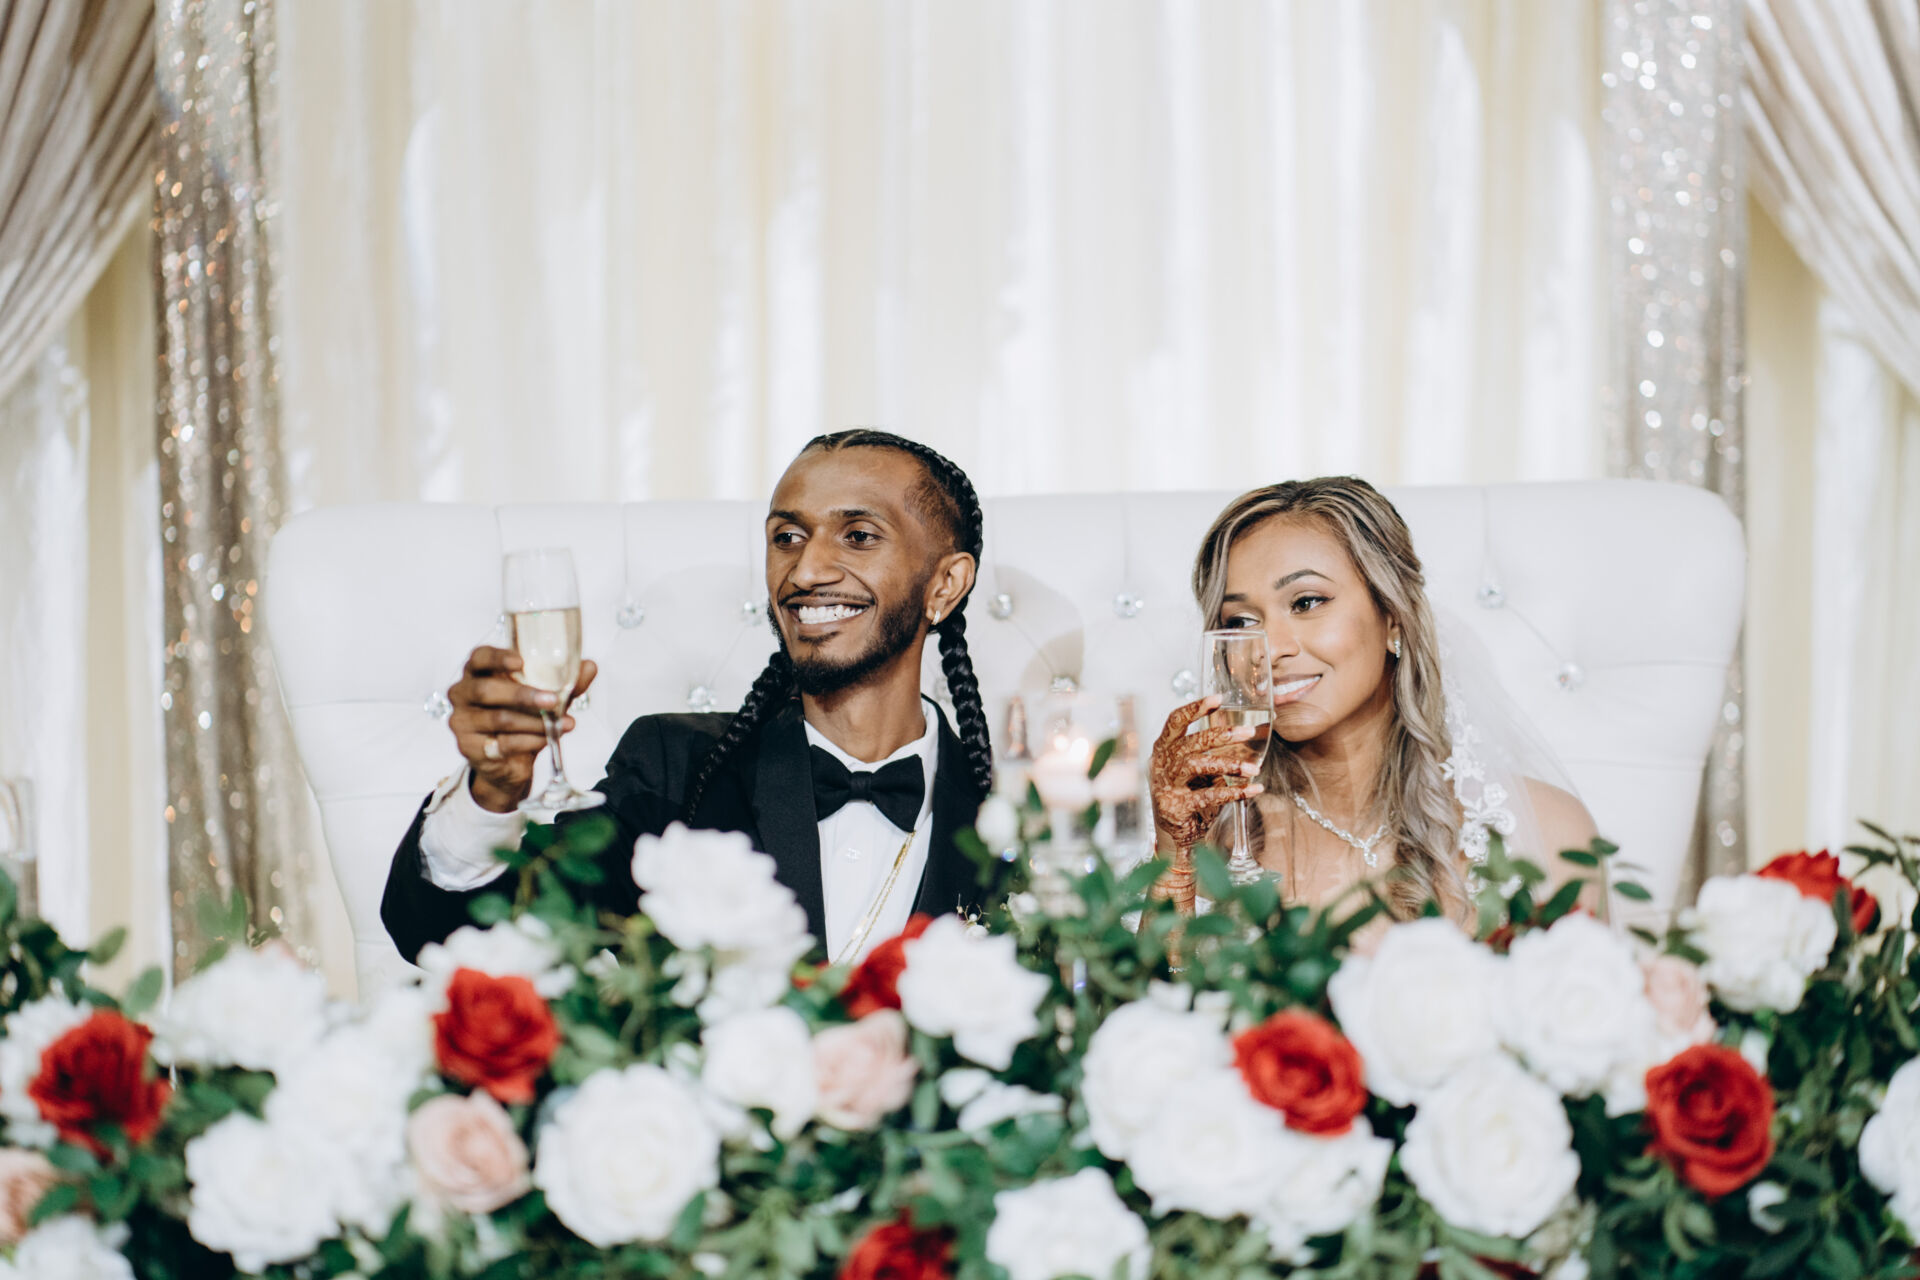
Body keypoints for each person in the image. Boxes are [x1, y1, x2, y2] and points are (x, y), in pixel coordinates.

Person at [381, 430, 1000, 965]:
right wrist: (490, 794)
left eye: (859, 535)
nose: (806, 571)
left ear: (945, 584)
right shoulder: (673, 766)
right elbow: (456, 937)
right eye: (787, 536)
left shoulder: (1015, 816)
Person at [1147, 477, 1600, 925]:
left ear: (1393, 616)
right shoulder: (1215, 845)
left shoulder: (1545, 830)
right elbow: (1153, 974)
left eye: (1306, 602)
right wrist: (1175, 860)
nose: (1271, 648)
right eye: (1241, 621)